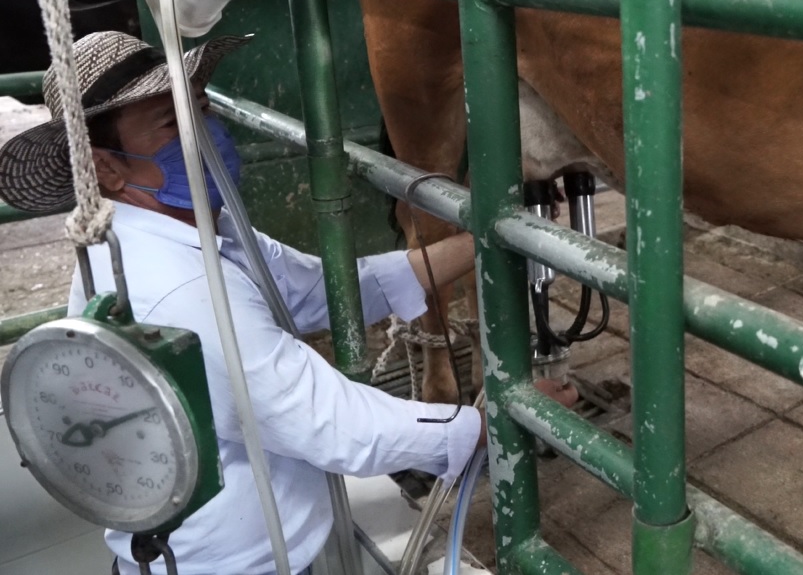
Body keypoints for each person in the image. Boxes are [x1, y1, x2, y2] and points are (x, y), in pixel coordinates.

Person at [0, 31, 577, 575]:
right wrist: (491, 423)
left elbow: (325, 287)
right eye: (169, 121)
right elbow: (327, 423)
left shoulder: (196, 226)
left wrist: (481, 240)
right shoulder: (174, 284)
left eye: (199, 105)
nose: (202, 128)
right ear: (107, 168)